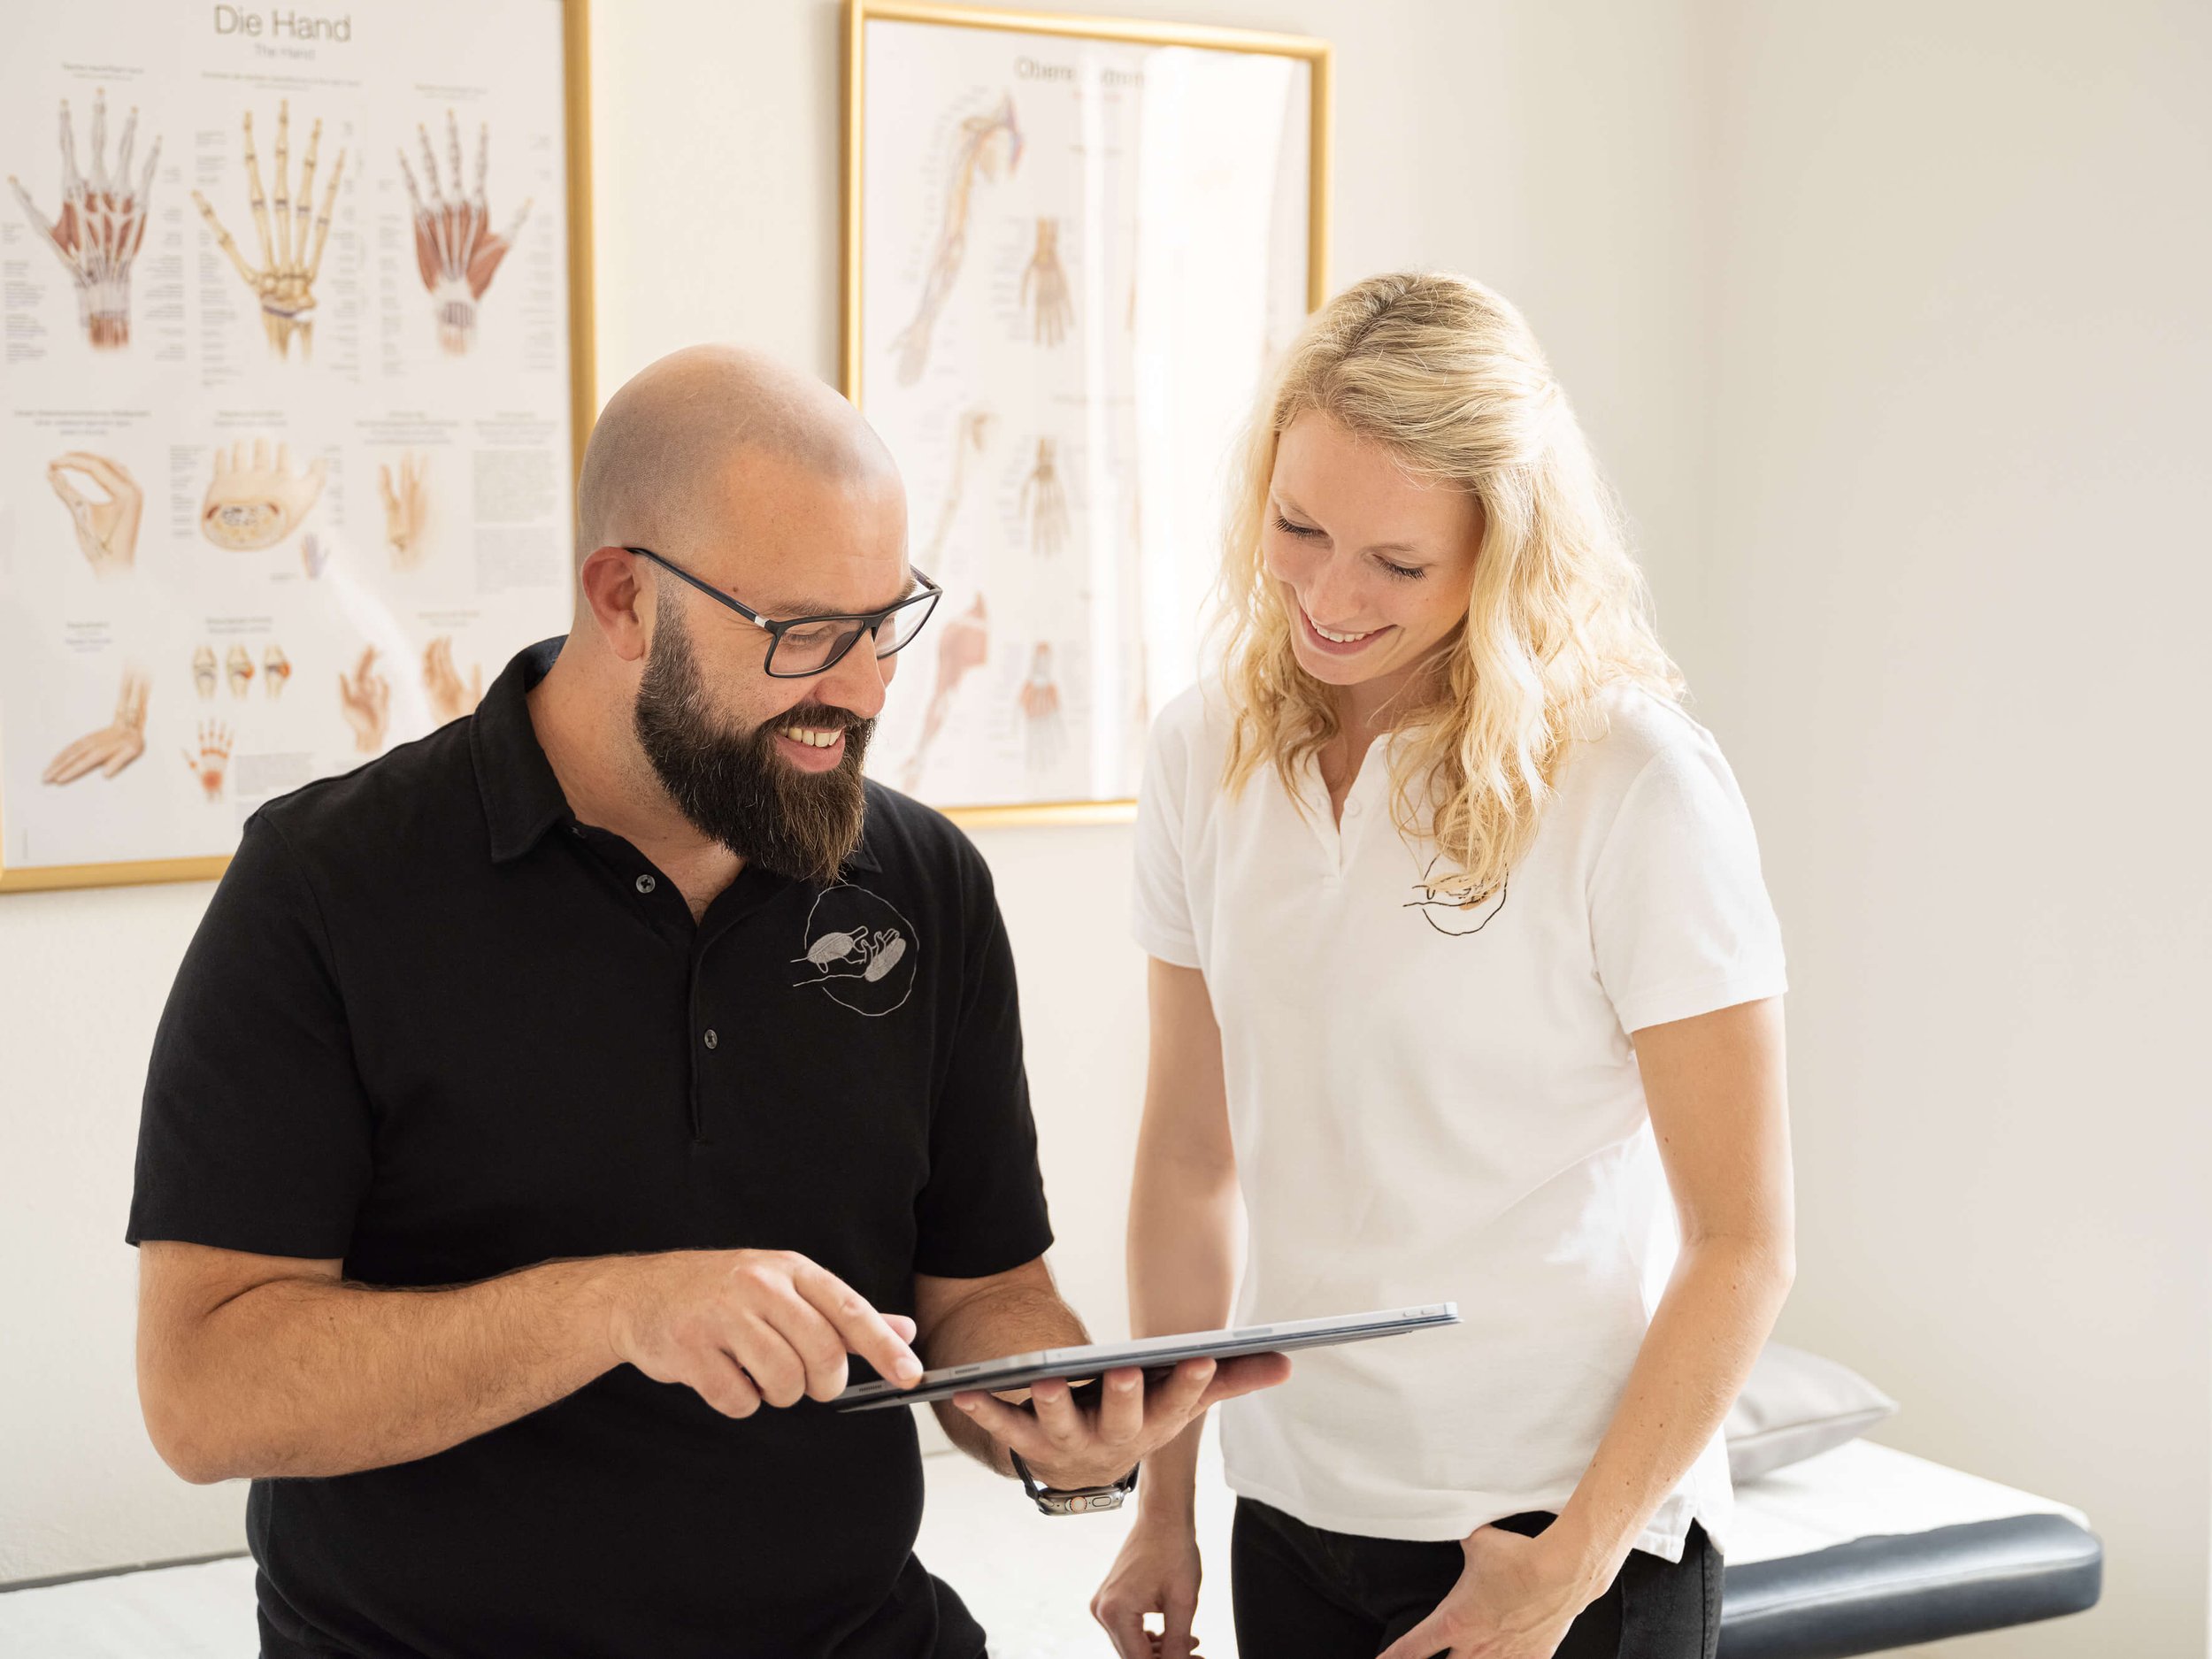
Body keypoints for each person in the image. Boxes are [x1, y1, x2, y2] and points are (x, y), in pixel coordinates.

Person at [127, 345, 1285, 1659]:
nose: (857, 688)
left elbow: (978, 1293)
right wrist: (620, 1309)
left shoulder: (923, 881)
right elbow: (201, 1394)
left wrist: (1058, 1414)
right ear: (622, 598)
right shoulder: (329, 886)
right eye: (799, 633)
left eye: (882, 619)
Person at [1087, 273, 1793, 1659]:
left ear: (1506, 551)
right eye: (1298, 529)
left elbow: (1744, 1245)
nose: (1330, 598)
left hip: (1556, 1536)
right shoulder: (1203, 752)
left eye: (1397, 565)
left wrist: (1572, 1566)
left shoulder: (1633, 783)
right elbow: (1189, 1161)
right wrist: (1161, 1498)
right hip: (1290, 1507)